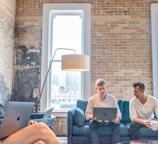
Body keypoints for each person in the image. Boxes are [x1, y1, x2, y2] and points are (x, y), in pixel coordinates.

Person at [85, 79, 121, 144]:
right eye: (100, 89)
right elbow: (87, 114)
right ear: (96, 89)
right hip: (97, 121)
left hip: (110, 121)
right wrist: (93, 117)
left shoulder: (113, 99)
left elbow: (118, 114)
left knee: (117, 125)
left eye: (103, 88)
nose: (102, 91)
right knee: (91, 124)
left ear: (106, 87)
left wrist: (117, 118)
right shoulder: (92, 99)